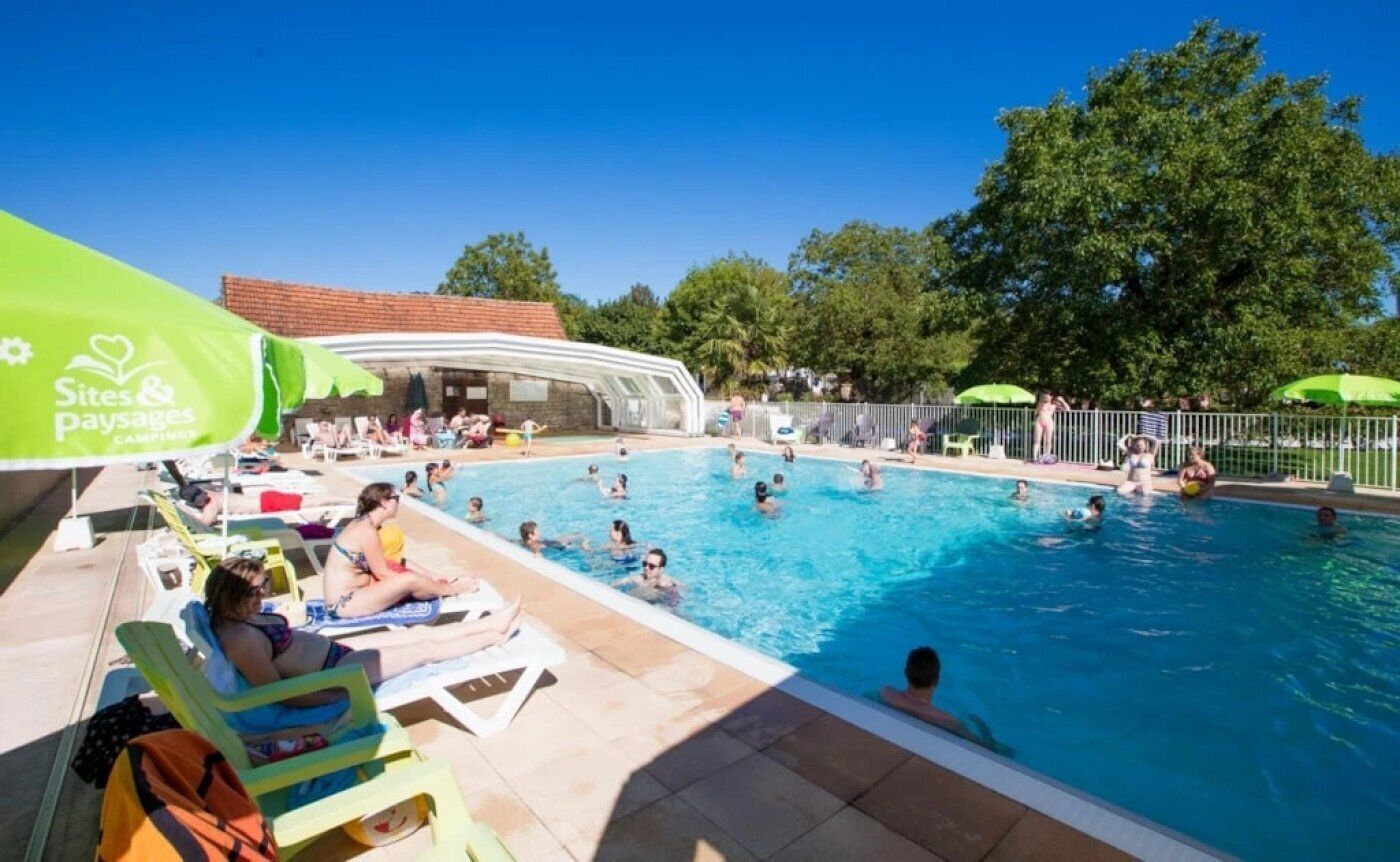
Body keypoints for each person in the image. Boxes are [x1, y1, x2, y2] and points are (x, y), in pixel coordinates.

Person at [206, 557, 520, 706]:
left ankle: (491, 622)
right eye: (257, 590)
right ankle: (494, 636)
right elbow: (275, 692)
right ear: (232, 593)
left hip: (333, 652)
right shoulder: (240, 639)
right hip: (334, 672)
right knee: (425, 651)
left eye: (265, 584)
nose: (264, 594)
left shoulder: (241, 617)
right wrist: (332, 699)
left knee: (415, 633)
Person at [322, 483, 475, 619]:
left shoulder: (365, 525)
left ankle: (440, 585)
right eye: (396, 498)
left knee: (412, 580)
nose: (399, 503)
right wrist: (416, 582)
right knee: (410, 580)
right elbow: (383, 573)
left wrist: (431, 576)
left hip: (355, 596)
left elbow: (394, 560)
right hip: (344, 603)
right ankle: (453, 589)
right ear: (383, 503)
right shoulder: (366, 531)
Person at [879, 647, 981, 742]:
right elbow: (981, 745)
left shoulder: (886, 693)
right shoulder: (947, 720)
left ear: (905, 673)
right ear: (936, 681)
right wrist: (982, 727)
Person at [180, 484, 349, 528]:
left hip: (268, 503)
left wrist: (188, 515)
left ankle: (347, 500)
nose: (203, 499)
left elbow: (204, 524)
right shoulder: (210, 493)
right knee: (311, 499)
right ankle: (344, 498)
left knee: (313, 501)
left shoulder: (211, 504)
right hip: (266, 498)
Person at [612, 548, 682, 607]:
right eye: (645, 564)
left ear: (661, 569)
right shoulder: (638, 579)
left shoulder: (667, 583)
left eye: (651, 566)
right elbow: (615, 584)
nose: (646, 568)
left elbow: (679, 596)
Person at [1031, 393, 1071, 462]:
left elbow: (1067, 410)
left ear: (1051, 397)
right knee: (1037, 440)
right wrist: (1040, 405)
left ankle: (1047, 456)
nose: (1046, 397)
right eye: (1045, 396)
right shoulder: (1041, 403)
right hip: (1039, 421)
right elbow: (1036, 413)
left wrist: (1062, 401)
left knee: (1048, 441)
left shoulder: (1055, 404)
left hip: (1049, 422)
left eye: (1048, 396)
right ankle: (1034, 457)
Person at [519, 521, 589, 556]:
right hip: (557, 547)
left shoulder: (523, 541)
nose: (539, 532)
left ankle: (578, 538)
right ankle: (583, 546)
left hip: (548, 542)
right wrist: (537, 554)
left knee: (564, 538)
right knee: (570, 544)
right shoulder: (534, 545)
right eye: (537, 531)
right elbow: (536, 551)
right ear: (530, 535)